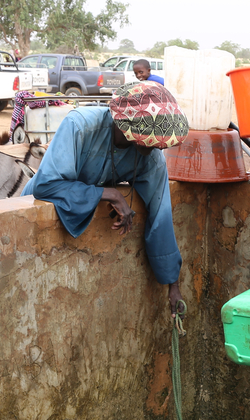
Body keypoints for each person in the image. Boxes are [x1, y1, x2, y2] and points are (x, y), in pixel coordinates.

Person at [21, 81, 189, 314]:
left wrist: (173, 284)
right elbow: (46, 186)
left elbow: (161, 212)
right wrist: (107, 193)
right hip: (31, 223)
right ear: (123, 124)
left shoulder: (150, 154)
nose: (154, 148)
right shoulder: (79, 125)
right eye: (148, 140)